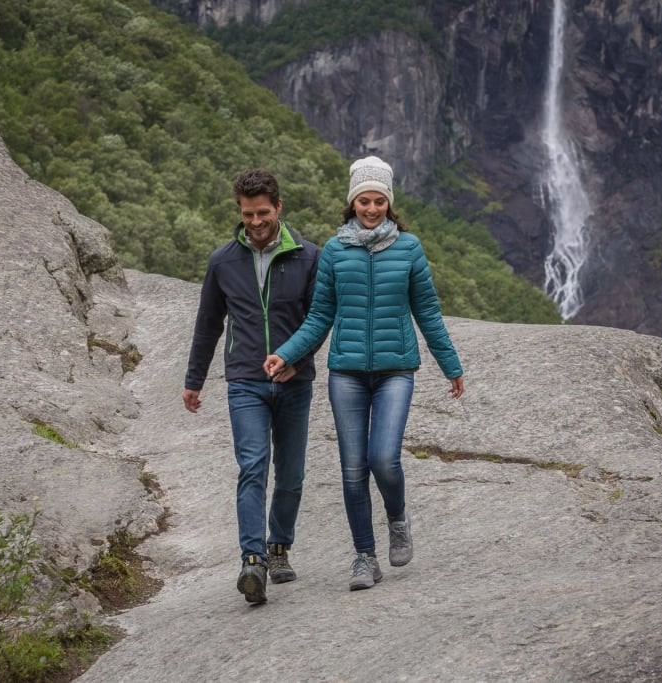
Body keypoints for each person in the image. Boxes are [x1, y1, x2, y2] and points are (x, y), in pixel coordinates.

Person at [264, 156, 464, 591]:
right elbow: (320, 316)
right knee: (353, 468)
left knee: (383, 459)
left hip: (396, 370)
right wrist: (286, 353)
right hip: (347, 374)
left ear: (389, 204)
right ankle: (364, 557)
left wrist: (450, 365)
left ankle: (397, 517)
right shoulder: (335, 251)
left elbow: (427, 311)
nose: (371, 209)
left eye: (378, 202)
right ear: (352, 203)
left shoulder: (409, 249)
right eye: (363, 202)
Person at [183, 168, 320, 605]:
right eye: (248, 214)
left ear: (278, 207)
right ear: (238, 212)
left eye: (263, 212)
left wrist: (297, 361)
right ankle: (253, 560)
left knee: (292, 474)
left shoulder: (308, 257)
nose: (256, 222)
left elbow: (319, 322)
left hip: (295, 381)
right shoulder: (223, 260)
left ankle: (280, 547)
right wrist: (194, 381)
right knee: (253, 465)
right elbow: (208, 324)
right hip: (245, 380)